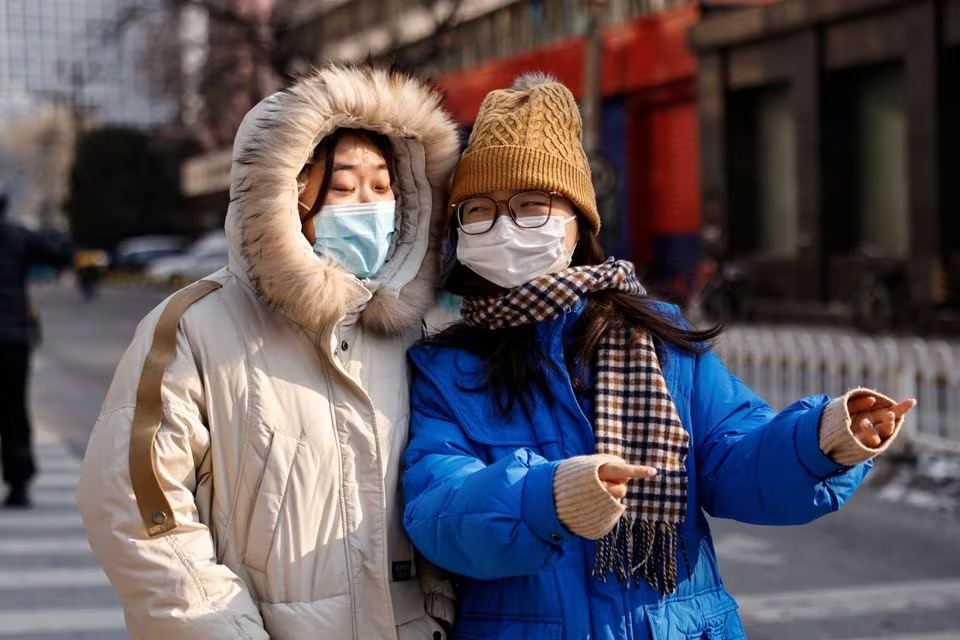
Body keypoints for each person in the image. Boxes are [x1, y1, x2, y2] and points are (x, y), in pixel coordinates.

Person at [401, 73, 917, 640]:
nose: (503, 227)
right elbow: (438, 510)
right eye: (479, 211)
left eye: (530, 205)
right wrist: (545, 498)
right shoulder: (444, 368)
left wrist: (819, 442)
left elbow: (733, 461)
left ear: (577, 222)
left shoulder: (657, 337)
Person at [76, 64, 460, 639]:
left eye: (383, 186)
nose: (368, 203)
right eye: (343, 184)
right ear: (287, 192)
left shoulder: (416, 332)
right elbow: (137, 507)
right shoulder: (194, 327)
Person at [0, 194, 72, 508]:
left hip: (13, 335)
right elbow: (59, 254)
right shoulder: (16, 236)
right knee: (14, 410)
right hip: (12, 338)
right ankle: (19, 483)